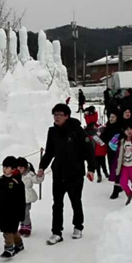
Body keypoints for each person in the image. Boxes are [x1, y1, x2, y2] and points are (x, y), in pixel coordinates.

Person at [38, 104, 95, 245]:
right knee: (57, 203)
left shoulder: (77, 130)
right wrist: (42, 167)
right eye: (55, 114)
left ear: (67, 116)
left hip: (75, 173)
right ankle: (56, 232)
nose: (56, 117)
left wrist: (91, 168)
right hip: (58, 172)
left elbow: (88, 150)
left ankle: (78, 226)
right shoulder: (52, 132)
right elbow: (50, 152)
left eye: (60, 114)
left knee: (75, 201)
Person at [0, 156, 26, 258]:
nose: (4, 169)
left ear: (13, 169)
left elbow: (21, 200)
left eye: (7, 167)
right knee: (12, 230)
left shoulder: (18, 182)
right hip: (3, 210)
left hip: (14, 211)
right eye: (4, 167)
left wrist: (21, 214)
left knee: (8, 230)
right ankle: (19, 244)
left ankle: (9, 249)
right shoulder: (0, 181)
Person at [17, 157, 44, 237]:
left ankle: (27, 227)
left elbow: (36, 180)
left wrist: (40, 176)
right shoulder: (16, 175)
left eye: (21, 168)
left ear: (25, 168)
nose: (19, 169)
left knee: (25, 213)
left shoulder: (30, 175)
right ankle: (22, 226)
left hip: (27, 197)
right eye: (17, 167)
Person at [101, 111, 124, 199]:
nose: (111, 119)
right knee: (113, 170)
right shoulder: (108, 127)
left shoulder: (120, 127)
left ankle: (116, 189)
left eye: (113, 117)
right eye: (110, 117)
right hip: (110, 152)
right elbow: (103, 139)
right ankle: (120, 185)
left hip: (119, 152)